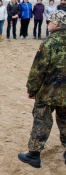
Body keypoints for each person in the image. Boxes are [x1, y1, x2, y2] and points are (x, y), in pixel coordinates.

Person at [18, 11, 66, 168]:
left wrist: (32, 89)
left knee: (42, 121)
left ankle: (34, 155)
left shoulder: (49, 43)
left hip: (48, 92)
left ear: (57, 24)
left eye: (50, 21)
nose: (47, 24)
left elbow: (38, 70)